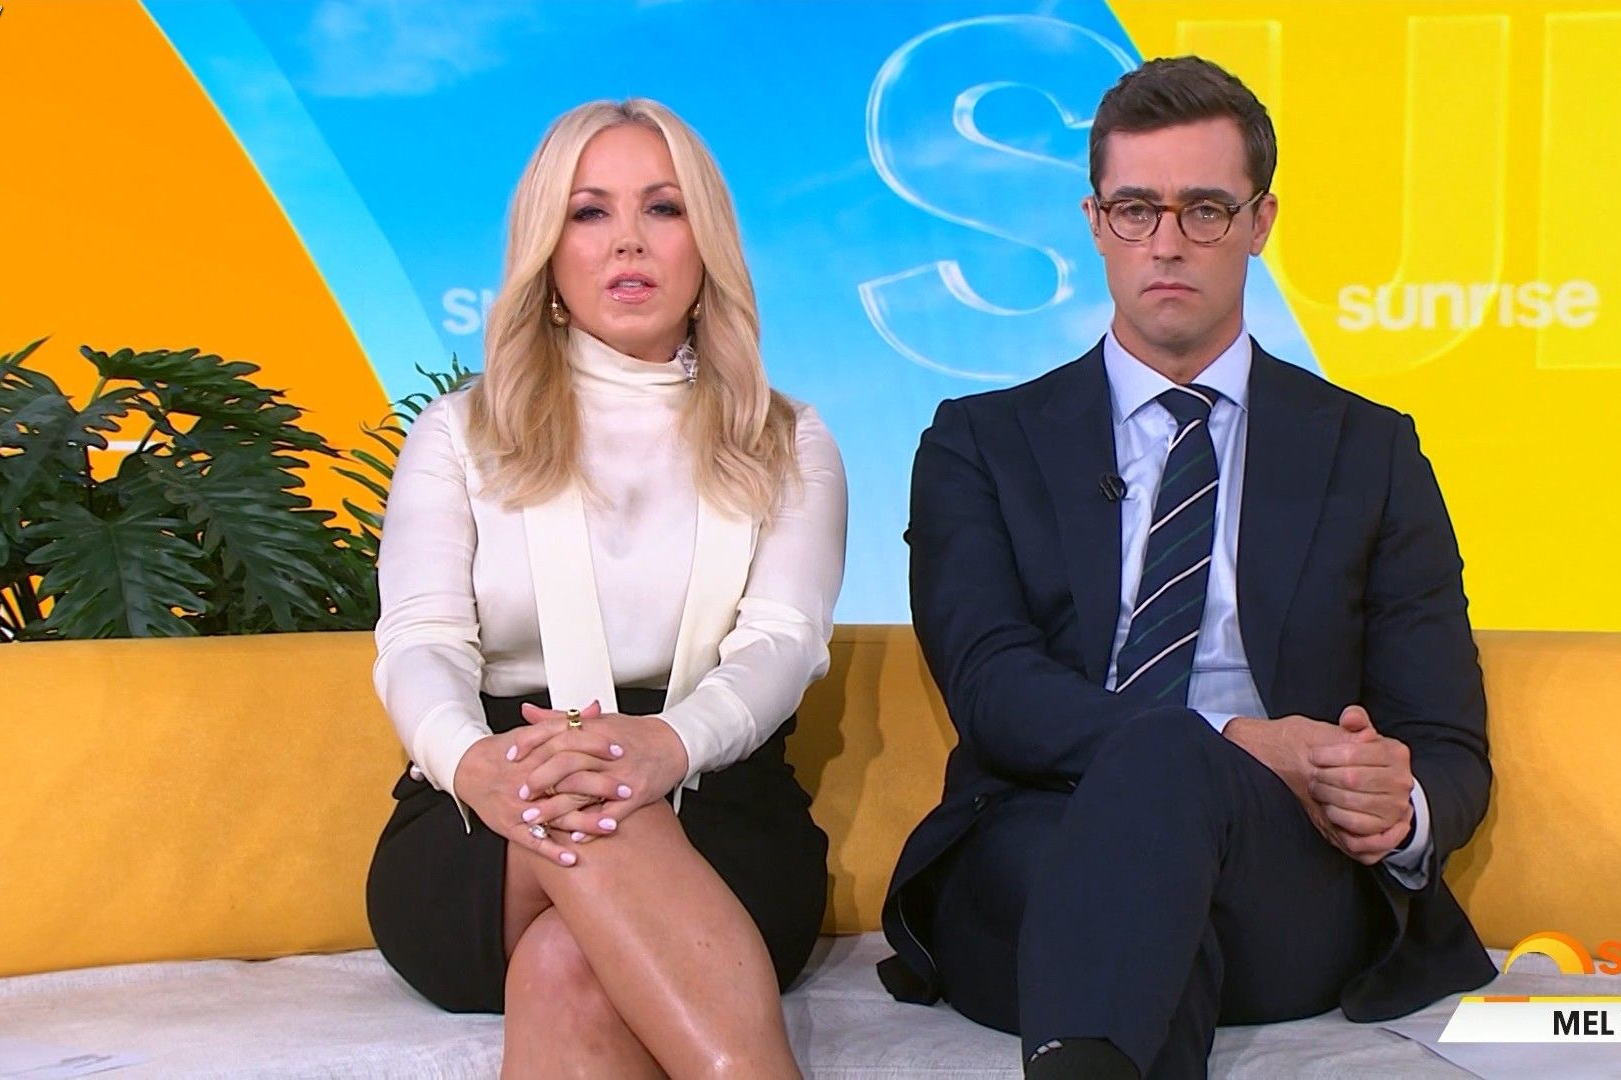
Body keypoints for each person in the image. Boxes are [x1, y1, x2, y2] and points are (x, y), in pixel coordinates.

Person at [879, 57, 1495, 1079]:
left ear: (1260, 222)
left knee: (1155, 840)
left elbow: (1444, 739)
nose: (1166, 243)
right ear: (1094, 222)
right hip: (1044, 835)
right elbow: (991, 688)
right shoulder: (980, 443)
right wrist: (1237, 738)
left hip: (1279, 863)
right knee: (1156, 817)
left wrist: (1397, 805)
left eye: (1205, 210)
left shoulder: (1369, 451)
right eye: (1136, 209)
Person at [365, 98, 845, 1079]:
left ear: (707, 244)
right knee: (587, 797)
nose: (628, 239)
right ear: (548, 250)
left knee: (568, 962)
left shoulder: (790, 440)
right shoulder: (458, 435)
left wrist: (665, 746)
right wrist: (473, 763)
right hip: (488, 819)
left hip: (717, 805)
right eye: (590, 212)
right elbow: (419, 640)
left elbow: (782, 643)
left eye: (663, 208)